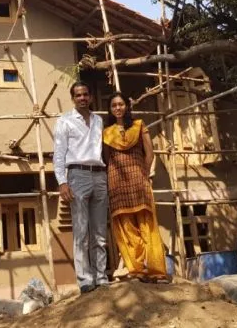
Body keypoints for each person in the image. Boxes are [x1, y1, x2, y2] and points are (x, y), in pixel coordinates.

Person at [102, 93, 169, 283]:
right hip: (117, 182)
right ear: (110, 109)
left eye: (121, 104)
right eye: (114, 105)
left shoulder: (139, 126)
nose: (117, 108)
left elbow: (149, 153)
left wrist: (144, 173)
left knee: (146, 223)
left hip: (138, 179)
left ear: (127, 106)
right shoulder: (107, 133)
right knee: (126, 226)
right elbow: (107, 159)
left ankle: (157, 270)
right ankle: (136, 268)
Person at [53, 81, 109, 294]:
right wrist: (62, 181)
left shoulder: (98, 121)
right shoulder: (65, 121)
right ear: (73, 98)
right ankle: (85, 280)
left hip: (99, 175)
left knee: (100, 231)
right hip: (77, 175)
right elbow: (59, 153)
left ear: (91, 97)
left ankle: (101, 277)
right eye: (78, 95)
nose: (83, 98)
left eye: (86, 94)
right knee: (81, 230)